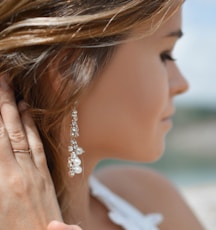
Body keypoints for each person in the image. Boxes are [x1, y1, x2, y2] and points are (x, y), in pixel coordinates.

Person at [0, 0, 204, 229]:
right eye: (165, 54)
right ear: (69, 70)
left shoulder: (149, 195)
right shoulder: (147, 199)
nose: (182, 84)